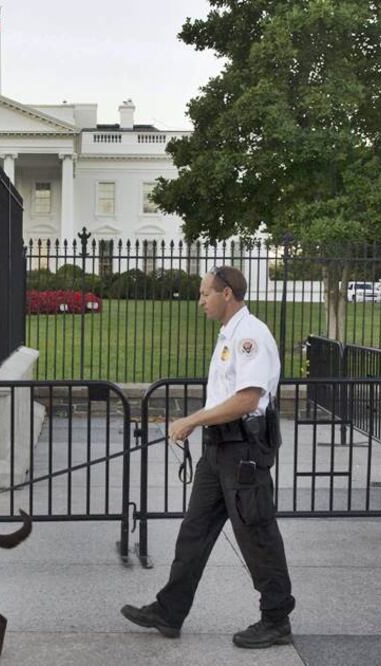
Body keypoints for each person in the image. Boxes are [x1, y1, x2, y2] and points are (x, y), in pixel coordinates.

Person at [121, 265, 295, 649]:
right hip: (218, 450)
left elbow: (248, 399)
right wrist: (202, 425)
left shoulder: (250, 335)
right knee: (194, 532)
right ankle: (170, 611)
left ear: (227, 294)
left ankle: (276, 619)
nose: (200, 300)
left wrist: (193, 420)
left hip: (244, 451)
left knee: (256, 534)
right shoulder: (229, 335)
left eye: (205, 293)